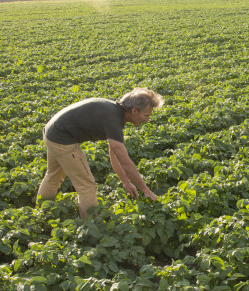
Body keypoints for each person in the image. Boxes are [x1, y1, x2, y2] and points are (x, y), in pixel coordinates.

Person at [37, 87, 164, 218]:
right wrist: (146, 190)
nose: (147, 119)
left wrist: (126, 182)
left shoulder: (113, 112)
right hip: (62, 140)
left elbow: (114, 154)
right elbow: (127, 164)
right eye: (146, 115)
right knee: (87, 186)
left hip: (51, 132)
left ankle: (41, 213)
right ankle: (90, 226)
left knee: (53, 176)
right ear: (134, 110)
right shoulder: (113, 120)